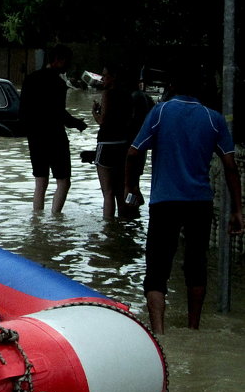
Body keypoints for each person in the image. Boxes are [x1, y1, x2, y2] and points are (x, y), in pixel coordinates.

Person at [126, 67, 242, 334]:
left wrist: (131, 186)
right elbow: (230, 165)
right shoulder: (214, 119)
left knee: (157, 267)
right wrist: (237, 210)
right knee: (196, 264)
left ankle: (159, 332)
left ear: (173, 85)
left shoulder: (161, 112)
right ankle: (193, 328)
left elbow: (133, 152)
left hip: (164, 201)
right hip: (199, 203)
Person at [20, 45, 87, 213]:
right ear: (59, 60)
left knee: (40, 182)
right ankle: (56, 218)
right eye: (67, 61)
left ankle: (38, 221)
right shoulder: (58, 83)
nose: (69, 65)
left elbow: (22, 112)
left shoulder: (30, 79)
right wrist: (78, 123)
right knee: (63, 182)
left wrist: (31, 132)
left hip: (35, 138)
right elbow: (59, 113)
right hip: (55, 138)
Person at [90, 64, 135, 218]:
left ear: (113, 77)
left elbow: (103, 121)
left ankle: (108, 228)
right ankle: (122, 226)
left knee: (108, 193)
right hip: (122, 144)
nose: (102, 79)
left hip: (106, 145)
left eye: (105, 75)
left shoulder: (107, 94)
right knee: (119, 190)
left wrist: (94, 112)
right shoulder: (128, 95)